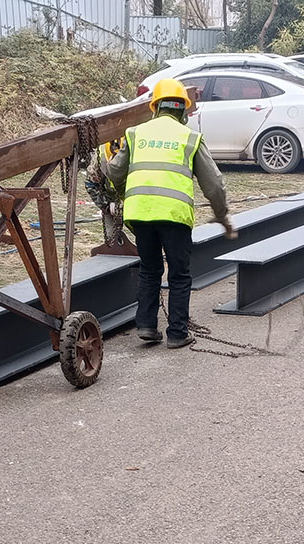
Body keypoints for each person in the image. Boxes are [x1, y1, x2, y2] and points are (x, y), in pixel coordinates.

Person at [105, 78, 234, 350]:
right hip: (174, 216)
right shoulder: (190, 138)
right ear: (183, 109)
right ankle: (177, 333)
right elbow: (214, 184)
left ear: (155, 107)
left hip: (140, 214)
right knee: (179, 274)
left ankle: (146, 326)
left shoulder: (135, 134)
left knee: (150, 269)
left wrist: (122, 188)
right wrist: (222, 214)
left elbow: (114, 172)